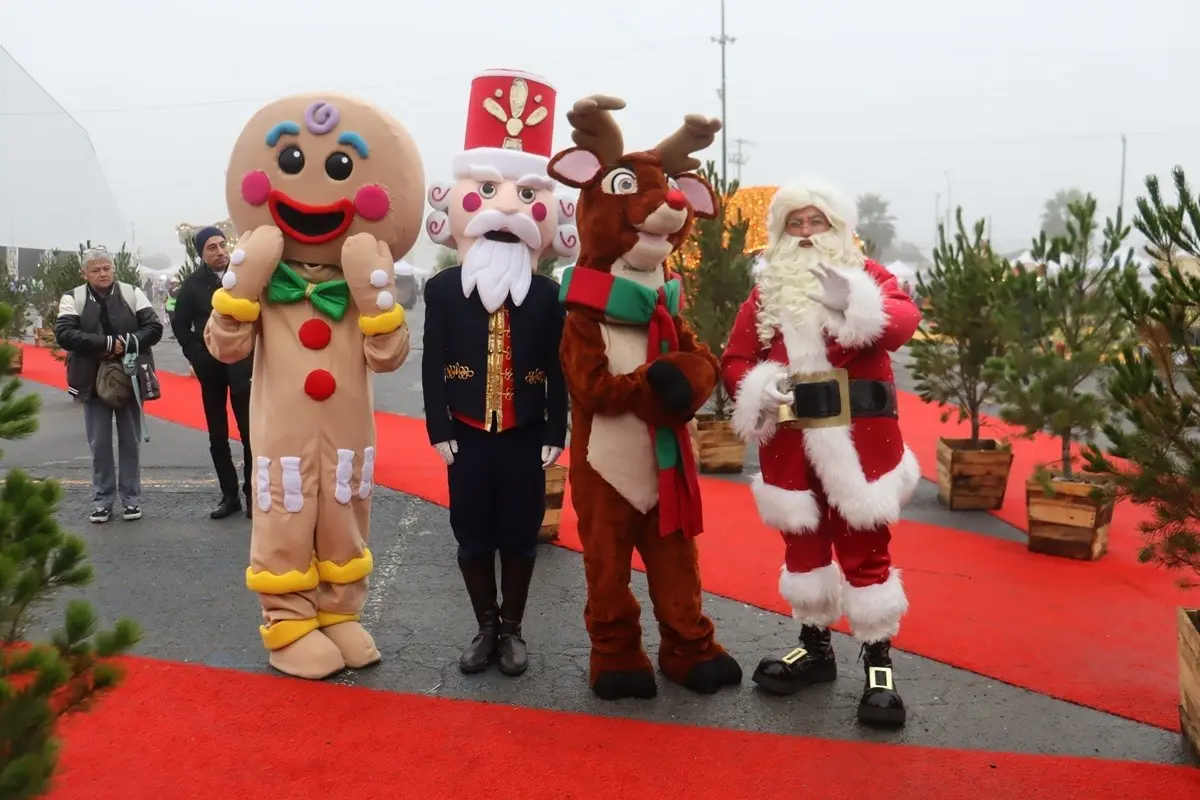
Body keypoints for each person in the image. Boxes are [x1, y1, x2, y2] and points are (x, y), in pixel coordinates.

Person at [206, 94, 424, 681]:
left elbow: (389, 356)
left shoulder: (360, 280)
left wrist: (374, 295)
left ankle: (338, 613)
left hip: (349, 433)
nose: (316, 185)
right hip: (284, 433)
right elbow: (225, 347)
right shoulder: (263, 279)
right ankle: (287, 623)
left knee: (346, 514)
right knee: (285, 513)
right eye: (293, 160)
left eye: (339, 168)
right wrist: (244, 282)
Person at [719, 178, 922, 727]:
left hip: (859, 442)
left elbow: (903, 321)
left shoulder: (869, 275)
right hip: (792, 440)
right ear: (781, 233)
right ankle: (815, 647)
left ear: (838, 227)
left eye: (817, 222)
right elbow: (736, 357)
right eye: (795, 223)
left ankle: (878, 661)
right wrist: (762, 384)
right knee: (803, 545)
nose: (807, 233)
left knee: (864, 544)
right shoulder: (765, 294)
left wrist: (855, 303)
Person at [421, 69, 575, 678]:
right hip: (465, 432)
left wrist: (554, 432)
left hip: (523, 435)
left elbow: (559, 370)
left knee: (519, 534)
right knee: (470, 535)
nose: (505, 212)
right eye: (486, 193)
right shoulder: (441, 290)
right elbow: (433, 360)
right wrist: (438, 426)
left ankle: (513, 630)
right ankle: (483, 627)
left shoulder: (545, 296)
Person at [54, 246, 163, 523]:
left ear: (113, 268)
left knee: (131, 442)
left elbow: (154, 328)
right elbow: (64, 334)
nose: (103, 274)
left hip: (129, 379)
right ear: (84, 273)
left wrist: (125, 343)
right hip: (91, 381)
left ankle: (131, 498)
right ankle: (102, 499)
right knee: (99, 443)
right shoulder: (73, 298)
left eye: (107, 268)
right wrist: (104, 343)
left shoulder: (131, 292)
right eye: (96, 270)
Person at [172, 227, 253, 519]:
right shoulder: (192, 286)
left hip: (243, 366)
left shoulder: (243, 278)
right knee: (217, 435)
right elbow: (180, 326)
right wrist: (197, 355)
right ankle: (229, 496)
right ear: (201, 254)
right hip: (211, 368)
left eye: (221, 245)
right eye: (211, 248)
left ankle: (253, 495)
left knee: (250, 434)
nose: (219, 251)